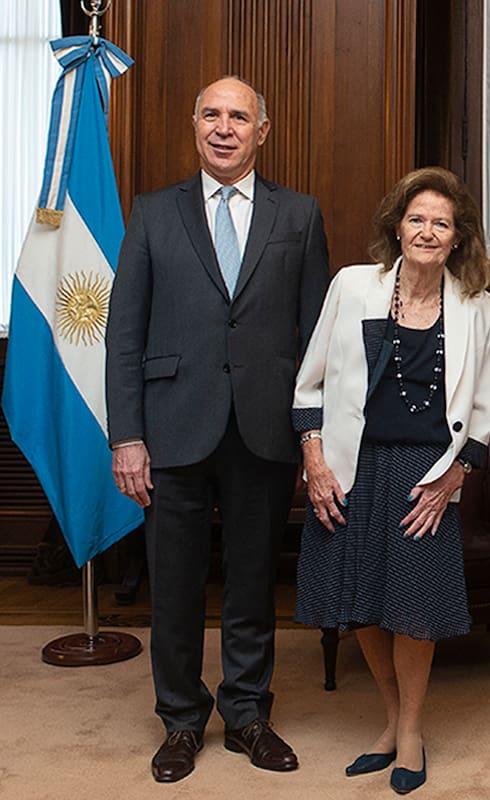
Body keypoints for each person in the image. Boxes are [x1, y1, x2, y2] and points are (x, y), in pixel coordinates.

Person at [106, 76, 330, 782]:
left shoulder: (300, 214)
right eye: (211, 114)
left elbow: (317, 338)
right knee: (173, 585)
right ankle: (179, 720)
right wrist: (126, 435)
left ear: (262, 131)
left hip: (264, 428)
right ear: (194, 125)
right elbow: (124, 334)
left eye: (238, 117)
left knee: (253, 581)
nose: (223, 128)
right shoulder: (153, 212)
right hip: (170, 428)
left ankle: (247, 714)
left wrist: (314, 436)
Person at [291, 167, 490, 794]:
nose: (428, 231)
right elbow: (310, 383)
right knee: (360, 602)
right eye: (417, 219)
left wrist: (454, 478)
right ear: (397, 227)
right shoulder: (353, 286)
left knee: (413, 611)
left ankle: (410, 731)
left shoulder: (479, 308)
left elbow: (484, 409)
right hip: (351, 467)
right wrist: (315, 460)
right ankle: (390, 719)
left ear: (458, 237)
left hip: (424, 478)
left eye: (441, 222)